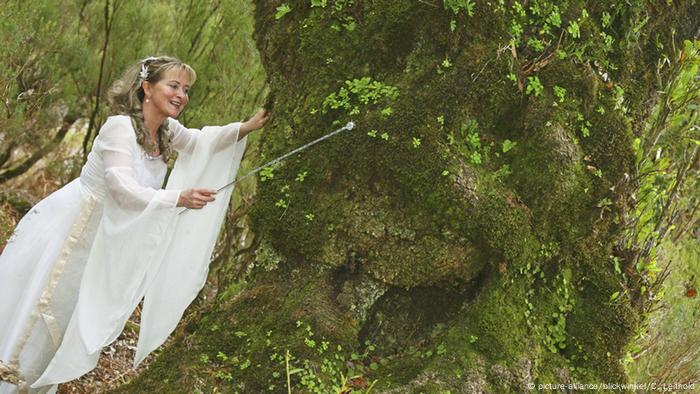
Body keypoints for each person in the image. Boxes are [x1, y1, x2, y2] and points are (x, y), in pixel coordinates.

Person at [0, 55, 270, 393]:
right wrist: (177, 198)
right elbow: (121, 189)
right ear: (146, 87)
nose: (181, 95)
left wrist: (246, 127)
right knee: (44, 311)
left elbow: (201, 142)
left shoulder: (167, 131)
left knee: (69, 320)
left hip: (105, 242)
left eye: (186, 90)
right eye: (173, 86)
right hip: (74, 232)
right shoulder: (119, 127)